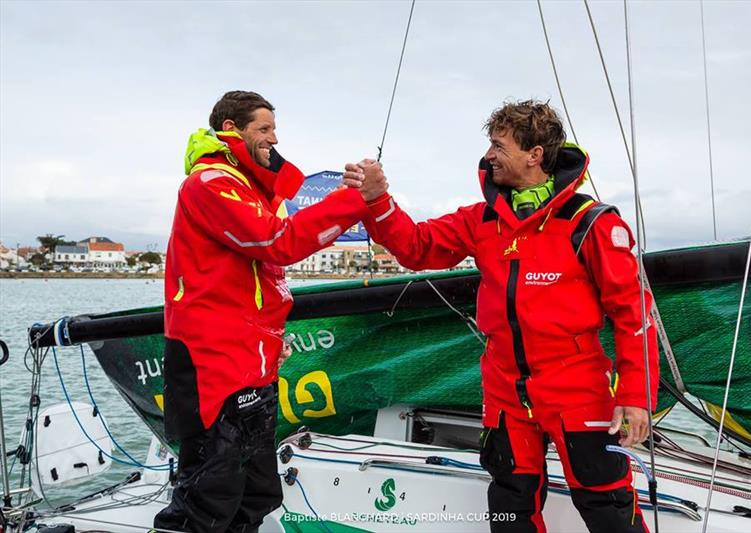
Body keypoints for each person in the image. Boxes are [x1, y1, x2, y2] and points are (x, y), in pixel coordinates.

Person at [345, 100, 659, 533]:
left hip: (578, 386)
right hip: (505, 391)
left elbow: (634, 315)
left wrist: (636, 396)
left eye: (498, 145)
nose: (488, 155)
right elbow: (417, 247)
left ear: (534, 155)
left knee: (606, 504)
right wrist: (378, 200)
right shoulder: (482, 219)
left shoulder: (592, 223)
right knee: (510, 507)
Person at [155, 90, 377, 533]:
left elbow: (276, 247)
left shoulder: (250, 188)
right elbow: (276, 241)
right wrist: (355, 200)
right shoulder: (210, 183)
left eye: (275, 129)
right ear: (231, 130)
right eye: (264, 128)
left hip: (251, 356)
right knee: (209, 492)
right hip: (211, 358)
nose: (274, 139)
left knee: (257, 490)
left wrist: (346, 194)